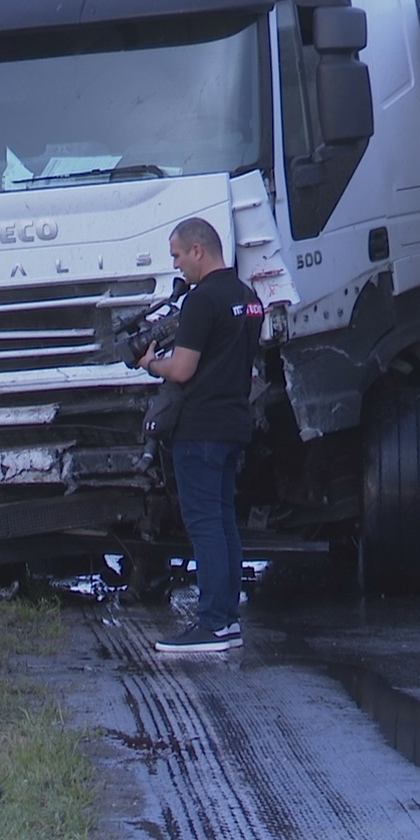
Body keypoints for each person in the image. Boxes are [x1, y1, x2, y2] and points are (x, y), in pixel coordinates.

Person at [139, 217, 263, 653]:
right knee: (224, 522)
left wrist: (151, 363)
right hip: (233, 423)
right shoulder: (248, 298)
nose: (176, 264)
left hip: (201, 429)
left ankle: (212, 622)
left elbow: (184, 368)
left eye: (176, 254)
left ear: (198, 250)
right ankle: (226, 619)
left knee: (205, 523)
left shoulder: (202, 300)